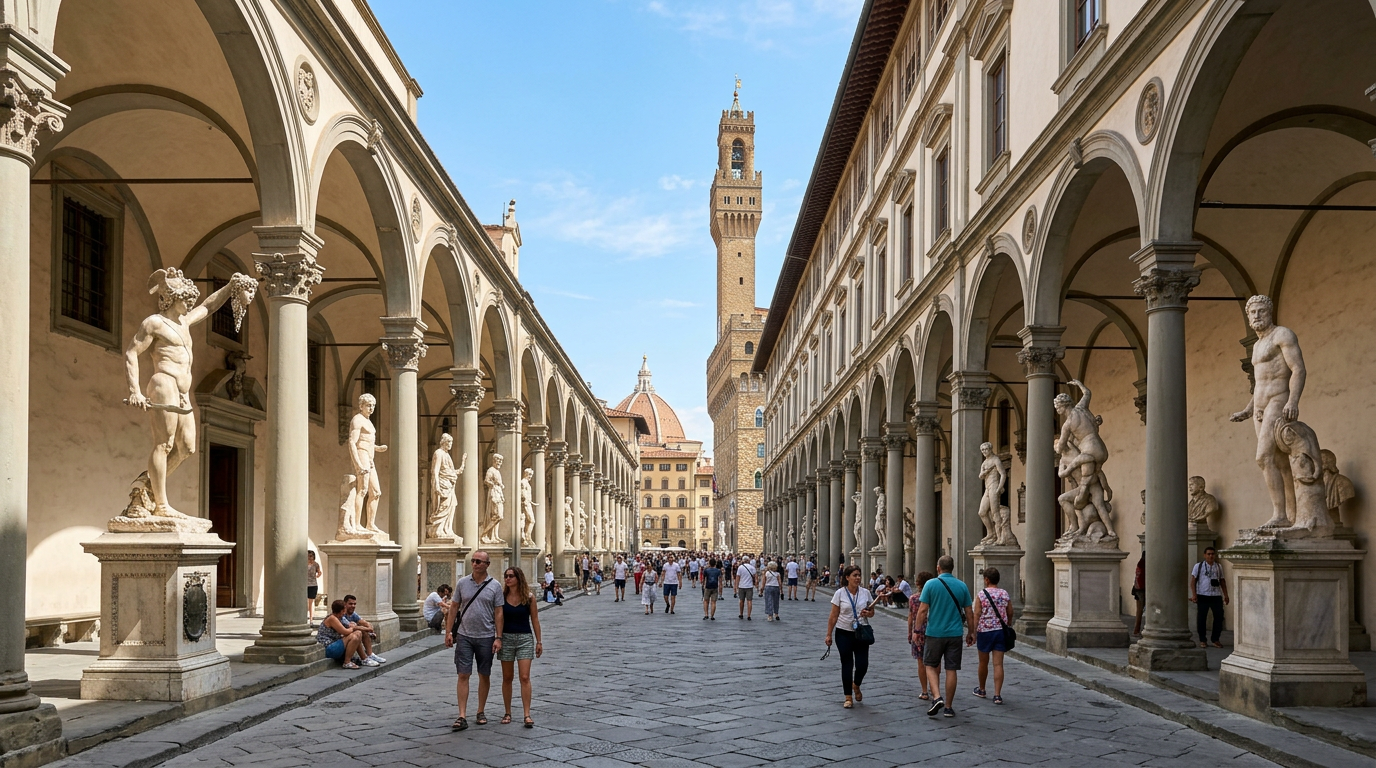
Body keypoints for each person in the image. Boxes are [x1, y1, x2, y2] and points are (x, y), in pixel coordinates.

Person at [447, 550, 504, 731]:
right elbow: (454, 607)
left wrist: (498, 637)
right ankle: (462, 715)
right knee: (463, 674)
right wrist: (449, 631)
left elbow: (499, 612)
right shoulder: (463, 583)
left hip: (486, 636)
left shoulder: (495, 586)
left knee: (484, 674)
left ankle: (480, 710)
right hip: (464, 635)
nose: (475, 564)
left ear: (487, 564)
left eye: (479, 561)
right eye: (473, 561)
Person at [914, 555, 975, 718]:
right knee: (951, 669)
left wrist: (917, 630)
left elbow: (922, 610)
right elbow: (969, 612)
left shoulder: (931, 584)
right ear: (952, 568)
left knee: (930, 665)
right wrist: (971, 632)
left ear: (938, 568)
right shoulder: (962, 586)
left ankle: (937, 696)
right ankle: (948, 707)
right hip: (955, 633)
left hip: (934, 633)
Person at [824, 565, 877, 709]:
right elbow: (833, 615)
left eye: (859, 575)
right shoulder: (840, 594)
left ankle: (856, 684)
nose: (858, 578)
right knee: (847, 664)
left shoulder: (865, 593)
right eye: (854, 575)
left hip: (861, 633)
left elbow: (872, 613)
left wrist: (868, 614)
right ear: (847, 577)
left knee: (862, 665)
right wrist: (828, 634)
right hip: (843, 633)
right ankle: (848, 697)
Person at [495, 567, 542, 728]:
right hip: (506, 638)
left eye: (510, 576)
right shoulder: (501, 597)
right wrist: (498, 638)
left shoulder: (529, 598)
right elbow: (498, 619)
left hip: (524, 638)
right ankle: (507, 712)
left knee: (524, 677)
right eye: (506, 576)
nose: (507, 579)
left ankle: (527, 714)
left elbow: (535, 620)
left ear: (518, 578)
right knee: (507, 677)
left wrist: (539, 641)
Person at [973, 568, 1011, 705]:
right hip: (1000, 631)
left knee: (983, 662)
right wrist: (1008, 623)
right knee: (998, 664)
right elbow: (1010, 611)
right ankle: (997, 695)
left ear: (987, 580)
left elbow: (977, 614)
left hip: (985, 631)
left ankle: (982, 689)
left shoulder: (982, 594)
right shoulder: (1004, 594)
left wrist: (973, 631)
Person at [1190, 547, 1230, 648]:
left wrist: (1226, 595)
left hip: (1216, 595)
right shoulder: (1199, 566)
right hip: (1203, 594)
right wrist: (1194, 594)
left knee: (1219, 617)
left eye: (1212, 554)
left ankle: (1215, 639)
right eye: (1208, 554)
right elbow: (1193, 581)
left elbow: (1222, 581)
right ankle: (1202, 639)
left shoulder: (1218, 567)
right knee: (1202, 618)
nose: (1211, 556)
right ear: (1205, 555)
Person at [316, 599, 366, 669]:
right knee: (354, 636)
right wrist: (352, 628)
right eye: (344, 611)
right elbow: (345, 631)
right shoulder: (332, 618)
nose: (344, 613)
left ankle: (364, 658)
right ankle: (347, 662)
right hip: (330, 648)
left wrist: (366, 629)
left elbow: (350, 625)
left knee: (358, 633)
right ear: (341, 610)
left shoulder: (340, 618)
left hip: (336, 644)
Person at [908, 572, 935, 701]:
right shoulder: (935, 598)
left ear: (918, 583)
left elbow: (911, 616)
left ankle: (924, 691)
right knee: (935, 662)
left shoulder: (913, 598)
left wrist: (910, 632)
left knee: (921, 662)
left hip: (918, 632)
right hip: (933, 631)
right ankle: (934, 688)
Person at [341, 595, 384, 665]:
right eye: (350, 604)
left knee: (361, 631)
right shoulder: (341, 614)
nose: (353, 606)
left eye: (354, 604)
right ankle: (363, 659)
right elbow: (353, 627)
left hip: (347, 635)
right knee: (358, 633)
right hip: (340, 638)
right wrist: (368, 629)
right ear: (345, 604)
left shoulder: (353, 614)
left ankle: (370, 655)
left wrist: (370, 630)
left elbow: (364, 622)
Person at [736, 556, 756, 620]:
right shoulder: (752, 567)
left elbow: (738, 577)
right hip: (749, 586)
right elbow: (756, 577)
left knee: (741, 600)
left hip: (741, 586)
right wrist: (757, 584)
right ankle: (749, 615)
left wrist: (736, 586)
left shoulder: (740, 567)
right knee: (749, 601)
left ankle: (741, 614)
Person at [306, 550, 322, 627]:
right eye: (308, 556)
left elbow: (319, 572)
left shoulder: (316, 564)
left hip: (312, 585)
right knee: (305, 602)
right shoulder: (303, 564)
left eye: (311, 556)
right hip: (304, 584)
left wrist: (317, 576)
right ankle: (305, 618)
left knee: (311, 602)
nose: (309, 558)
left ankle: (311, 619)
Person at [1132, 553, 1145, 637]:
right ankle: (1136, 630)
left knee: (1139, 611)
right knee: (1141, 610)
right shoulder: (1144, 566)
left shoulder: (1139, 565)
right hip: (1142, 590)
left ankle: (1136, 629)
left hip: (1137, 589)